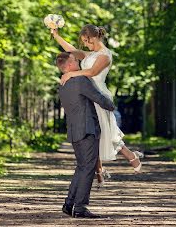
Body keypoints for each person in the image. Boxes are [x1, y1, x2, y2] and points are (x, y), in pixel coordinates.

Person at [51, 23, 143, 186]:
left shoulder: (105, 55)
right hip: (86, 95)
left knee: (105, 131)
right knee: (92, 134)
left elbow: (92, 72)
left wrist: (71, 73)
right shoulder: (90, 54)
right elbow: (71, 51)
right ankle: (99, 172)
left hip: (98, 95)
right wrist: (57, 36)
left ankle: (131, 156)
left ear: (93, 38)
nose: (85, 45)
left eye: (86, 41)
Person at [56, 51, 115, 219]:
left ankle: (69, 204)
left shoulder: (63, 83)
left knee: (82, 167)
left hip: (75, 130)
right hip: (87, 130)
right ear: (68, 65)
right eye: (75, 60)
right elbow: (97, 97)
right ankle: (80, 207)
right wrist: (111, 105)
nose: (78, 63)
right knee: (87, 168)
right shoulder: (79, 80)